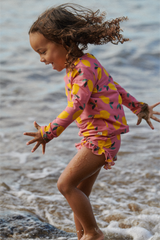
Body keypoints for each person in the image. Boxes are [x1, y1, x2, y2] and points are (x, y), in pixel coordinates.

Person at [24, 4, 160, 240]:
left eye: (43, 51)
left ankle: (93, 234)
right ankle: (83, 236)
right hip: (100, 138)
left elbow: (75, 106)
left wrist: (49, 132)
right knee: (79, 192)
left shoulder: (82, 69)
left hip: (101, 139)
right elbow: (113, 87)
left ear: (63, 42)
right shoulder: (86, 63)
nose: (42, 59)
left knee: (65, 185)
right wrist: (139, 107)